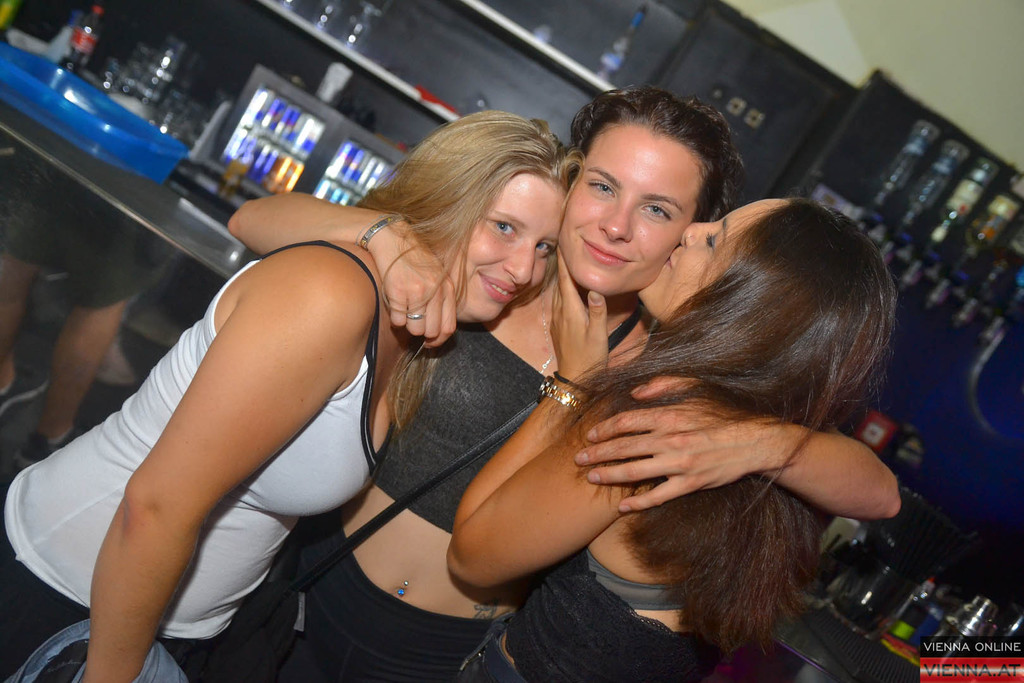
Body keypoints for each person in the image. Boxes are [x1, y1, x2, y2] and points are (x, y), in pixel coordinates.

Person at [227, 87, 900, 682]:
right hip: (311, 585)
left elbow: (876, 488)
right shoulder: (497, 259)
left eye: (657, 209)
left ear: (692, 233)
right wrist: (385, 238)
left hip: (449, 653)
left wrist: (761, 442)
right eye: (603, 187)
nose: (616, 226)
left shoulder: (676, 370)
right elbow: (254, 221)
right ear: (572, 179)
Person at [0, 110, 576, 682]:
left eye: (545, 247)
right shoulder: (331, 295)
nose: (524, 269)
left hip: (165, 628)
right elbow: (155, 508)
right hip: (67, 596)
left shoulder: (422, 328)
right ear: (447, 199)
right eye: (504, 227)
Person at [449, 197, 898, 681]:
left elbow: (472, 557)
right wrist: (763, 443)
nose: (692, 230)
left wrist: (572, 387)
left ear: (751, 305)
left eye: (715, 240)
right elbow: (884, 495)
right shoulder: (782, 421)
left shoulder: (657, 426)